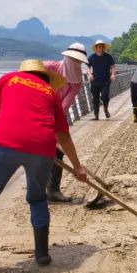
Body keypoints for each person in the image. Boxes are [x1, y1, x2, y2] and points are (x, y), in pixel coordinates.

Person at [0, 60, 89, 273]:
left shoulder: (8, 79)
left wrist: (14, 125)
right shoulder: (49, 91)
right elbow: (63, 135)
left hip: (5, 143)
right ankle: (42, 254)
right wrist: (78, 167)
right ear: (46, 78)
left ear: (24, 72)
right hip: (42, 147)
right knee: (37, 198)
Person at [41, 42, 90, 202]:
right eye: (73, 59)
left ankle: (53, 190)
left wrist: (53, 127)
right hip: (38, 111)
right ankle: (37, 190)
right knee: (38, 151)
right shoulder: (48, 67)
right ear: (66, 57)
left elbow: (64, 106)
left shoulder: (76, 81)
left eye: (79, 61)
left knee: (58, 150)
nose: (76, 63)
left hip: (55, 115)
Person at [88, 39, 116, 119]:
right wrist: (89, 74)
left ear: (103, 47)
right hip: (95, 81)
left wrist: (113, 74)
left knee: (105, 96)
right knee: (95, 99)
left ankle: (105, 109)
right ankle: (96, 116)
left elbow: (113, 66)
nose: (100, 48)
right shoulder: (92, 57)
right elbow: (88, 66)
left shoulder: (108, 56)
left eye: (101, 46)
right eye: (99, 46)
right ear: (96, 47)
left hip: (105, 81)